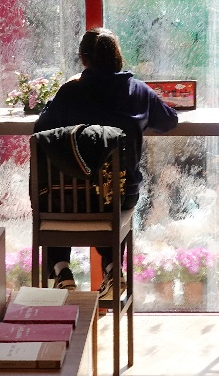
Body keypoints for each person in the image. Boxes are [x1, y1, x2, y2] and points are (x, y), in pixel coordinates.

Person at [34, 27, 179, 297]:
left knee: (57, 194)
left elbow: (40, 129)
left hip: (69, 200)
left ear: (83, 59)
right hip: (119, 197)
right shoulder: (138, 91)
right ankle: (113, 268)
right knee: (110, 191)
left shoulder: (70, 91)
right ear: (117, 57)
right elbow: (169, 121)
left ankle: (61, 269)